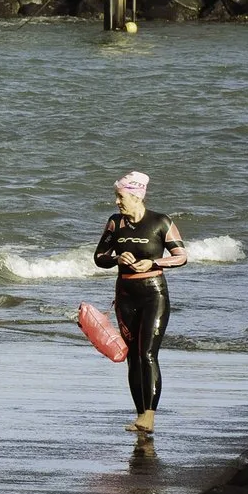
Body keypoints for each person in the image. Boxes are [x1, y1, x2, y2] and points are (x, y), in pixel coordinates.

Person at [92, 170, 187, 434]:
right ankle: (139, 416)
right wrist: (116, 259)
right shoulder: (115, 223)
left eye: (120, 197)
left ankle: (150, 415)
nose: (117, 202)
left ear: (136, 196)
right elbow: (99, 257)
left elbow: (181, 256)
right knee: (133, 357)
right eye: (116, 196)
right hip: (125, 294)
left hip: (153, 293)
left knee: (147, 354)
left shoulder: (160, 222)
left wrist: (154, 261)